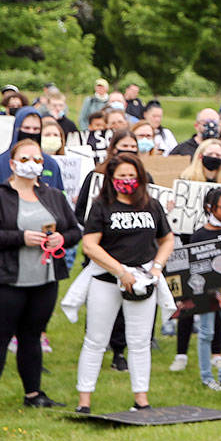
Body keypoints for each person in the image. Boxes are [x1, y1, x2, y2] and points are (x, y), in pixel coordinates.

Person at [0, 138, 81, 416]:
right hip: (5, 281)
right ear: (13, 164)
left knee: (31, 337)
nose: (32, 164)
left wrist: (62, 237)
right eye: (25, 159)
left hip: (44, 280)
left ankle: (34, 393)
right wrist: (20, 238)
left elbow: (75, 231)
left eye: (37, 159)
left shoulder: (53, 196)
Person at [76, 152, 175, 412]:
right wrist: (120, 271)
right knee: (95, 340)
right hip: (106, 280)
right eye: (121, 176)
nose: (127, 180)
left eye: (132, 175)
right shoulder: (102, 206)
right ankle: (84, 400)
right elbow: (89, 244)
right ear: (111, 178)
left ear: (140, 177)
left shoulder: (151, 205)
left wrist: (156, 267)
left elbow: (167, 239)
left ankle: (141, 398)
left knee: (140, 342)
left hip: (143, 281)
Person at [185, 188, 221, 390]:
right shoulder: (199, 235)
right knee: (206, 333)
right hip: (207, 290)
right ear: (210, 207)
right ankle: (207, 377)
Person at [0, 107, 65, 192]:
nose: (31, 132)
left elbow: (60, 200)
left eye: (36, 129)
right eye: (26, 128)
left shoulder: (51, 165)